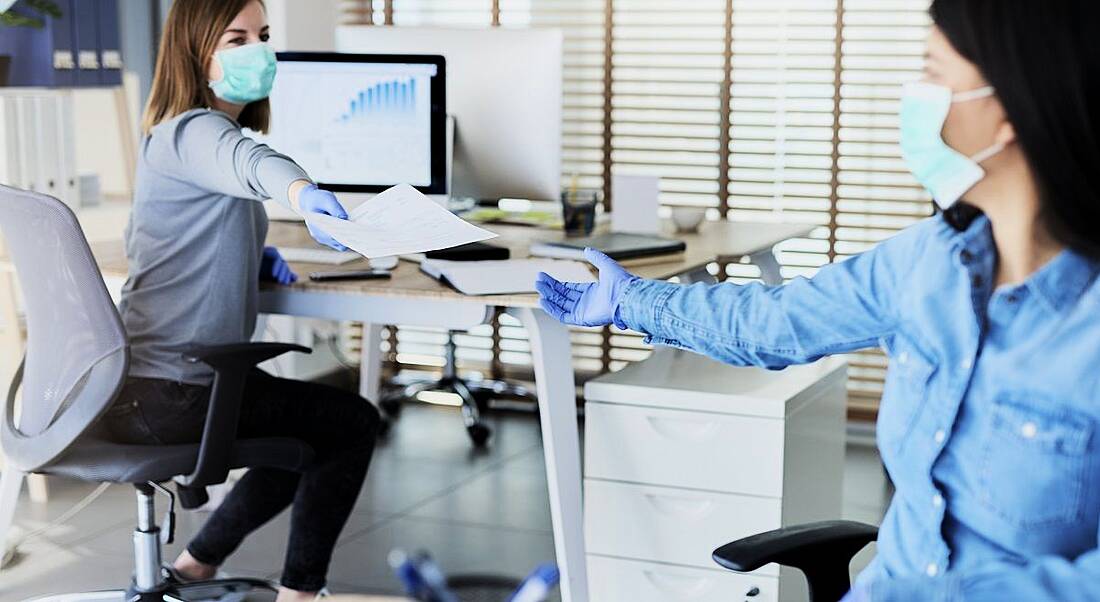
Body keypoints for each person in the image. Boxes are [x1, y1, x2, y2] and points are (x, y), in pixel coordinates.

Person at [537, 1, 1100, 600]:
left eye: (935, 73)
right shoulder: (928, 264)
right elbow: (778, 322)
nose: (916, 95)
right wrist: (628, 301)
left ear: (1010, 109)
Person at [98, 1, 380, 600]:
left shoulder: (169, 139)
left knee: (303, 438)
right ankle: (301, 593)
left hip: (143, 388)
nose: (259, 48)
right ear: (196, 50)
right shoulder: (195, 130)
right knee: (352, 423)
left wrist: (252, 260)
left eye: (264, 35)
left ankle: (197, 566)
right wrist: (305, 195)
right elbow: (252, 161)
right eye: (237, 37)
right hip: (176, 390)